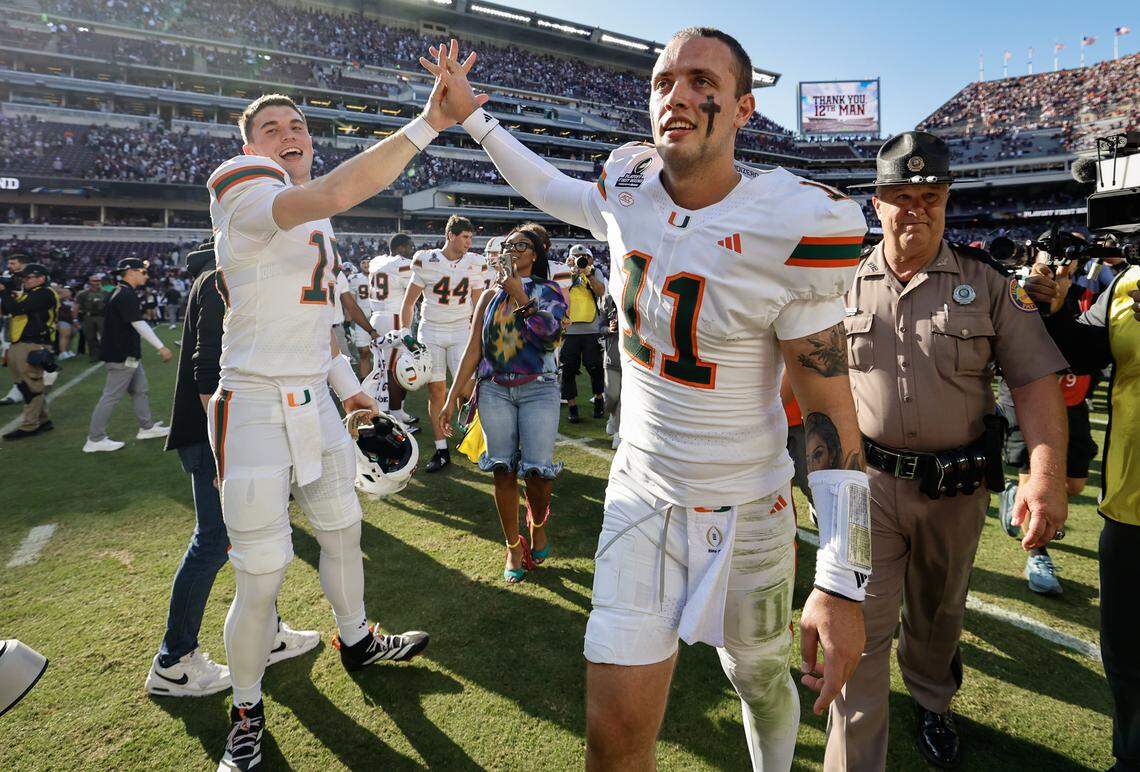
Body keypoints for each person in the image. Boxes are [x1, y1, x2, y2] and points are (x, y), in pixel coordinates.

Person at [424, 31, 871, 770]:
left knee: (757, 677)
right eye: (665, 81)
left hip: (750, 503)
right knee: (613, 738)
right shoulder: (626, 183)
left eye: (703, 81)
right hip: (641, 494)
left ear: (743, 108)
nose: (680, 95)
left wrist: (843, 578)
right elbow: (551, 192)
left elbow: (829, 407)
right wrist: (474, 117)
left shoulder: (791, 219)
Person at [206, 91, 440, 771]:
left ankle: (357, 639)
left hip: (315, 400)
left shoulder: (315, 220)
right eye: (271, 128)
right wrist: (429, 123)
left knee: (344, 531)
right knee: (262, 574)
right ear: (250, 145)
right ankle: (246, 707)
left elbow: (324, 335)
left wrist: (359, 401)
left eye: (298, 126)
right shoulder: (243, 181)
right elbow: (342, 189)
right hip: (252, 402)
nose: (288, 135)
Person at [827, 132, 1069, 771]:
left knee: (937, 616)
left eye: (929, 195)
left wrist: (1043, 476)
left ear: (946, 199)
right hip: (869, 487)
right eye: (901, 197)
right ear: (875, 203)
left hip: (956, 489)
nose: (916, 209)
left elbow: (1035, 382)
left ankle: (934, 700)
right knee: (862, 628)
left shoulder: (987, 284)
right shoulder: (839, 283)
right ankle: (854, 759)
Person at [146, 238, 319, 698]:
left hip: (227, 432)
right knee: (214, 541)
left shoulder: (218, 275)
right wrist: (225, 449)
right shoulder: (221, 279)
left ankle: (267, 633)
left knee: (257, 530)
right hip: (218, 436)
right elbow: (209, 373)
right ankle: (173, 660)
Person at [1023, 253, 1140, 772]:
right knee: (1127, 655)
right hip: (1129, 505)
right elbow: (1081, 352)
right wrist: (1052, 310)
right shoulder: (1128, 282)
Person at [438, 223, 567, 582]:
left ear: (536, 253)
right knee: (502, 470)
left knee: (539, 475)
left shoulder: (551, 290)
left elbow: (551, 337)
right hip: (494, 388)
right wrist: (451, 397)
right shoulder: (488, 297)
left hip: (539, 388)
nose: (511, 250)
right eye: (507, 244)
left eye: (521, 245)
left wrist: (521, 296)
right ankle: (512, 546)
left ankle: (537, 521)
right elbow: (473, 349)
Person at [399, 215, 489, 472]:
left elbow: (478, 304)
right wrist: (406, 332)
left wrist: (479, 333)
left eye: (471, 237)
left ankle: (481, 442)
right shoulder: (427, 260)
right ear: (451, 235)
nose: (469, 242)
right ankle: (441, 450)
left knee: (467, 390)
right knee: (436, 391)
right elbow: (409, 302)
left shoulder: (475, 262)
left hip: (461, 329)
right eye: (465, 236)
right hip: (432, 331)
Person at [83, 257, 174, 453]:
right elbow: (138, 323)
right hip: (122, 356)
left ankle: (147, 427)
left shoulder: (121, 292)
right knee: (111, 397)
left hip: (126, 354)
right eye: (143, 271)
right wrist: (161, 347)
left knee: (140, 390)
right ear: (131, 271)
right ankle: (95, 439)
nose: (146, 275)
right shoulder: (125, 294)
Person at [0, 262, 59, 440]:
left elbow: (16, 309)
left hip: (33, 344)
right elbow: (7, 310)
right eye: (23, 277)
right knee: (24, 384)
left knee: (31, 386)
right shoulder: (31, 293)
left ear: (41, 278)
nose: (24, 280)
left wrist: (4, 291)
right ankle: (43, 420)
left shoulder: (45, 293)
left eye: (29, 277)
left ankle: (30, 425)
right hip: (21, 343)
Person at [366, 233, 418, 427]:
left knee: (386, 367)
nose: (411, 249)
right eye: (409, 246)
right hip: (394, 318)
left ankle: (398, 411)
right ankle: (395, 419)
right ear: (401, 248)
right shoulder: (401, 264)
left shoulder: (376, 261)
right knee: (396, 370)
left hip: (377, 317)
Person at [559, 243, 607, 423]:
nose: (580, 261)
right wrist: (570, 272)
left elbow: (601, 292)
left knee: (594, 367)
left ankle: (599, 400)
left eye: (583, 257)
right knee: (568, 369)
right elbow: (560, 292)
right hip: (570, 330)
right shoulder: (564, 273)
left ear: (589, 258)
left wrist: (587, 273)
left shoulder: (595, 272)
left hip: (591, 328)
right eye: (576, 258)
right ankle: (572, 406)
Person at [76, 273, 109, 363]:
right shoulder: (83, 294)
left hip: (102, 316)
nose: (97, 282)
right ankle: (94, 356)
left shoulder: (106, 293)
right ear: (90, 282)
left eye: (98, 280)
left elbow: (110, 306)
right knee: (90, 337)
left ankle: (106, 354)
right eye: (94, 281)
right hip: (88, 316)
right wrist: (75, 319)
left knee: (105, 336)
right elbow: (77, 307)